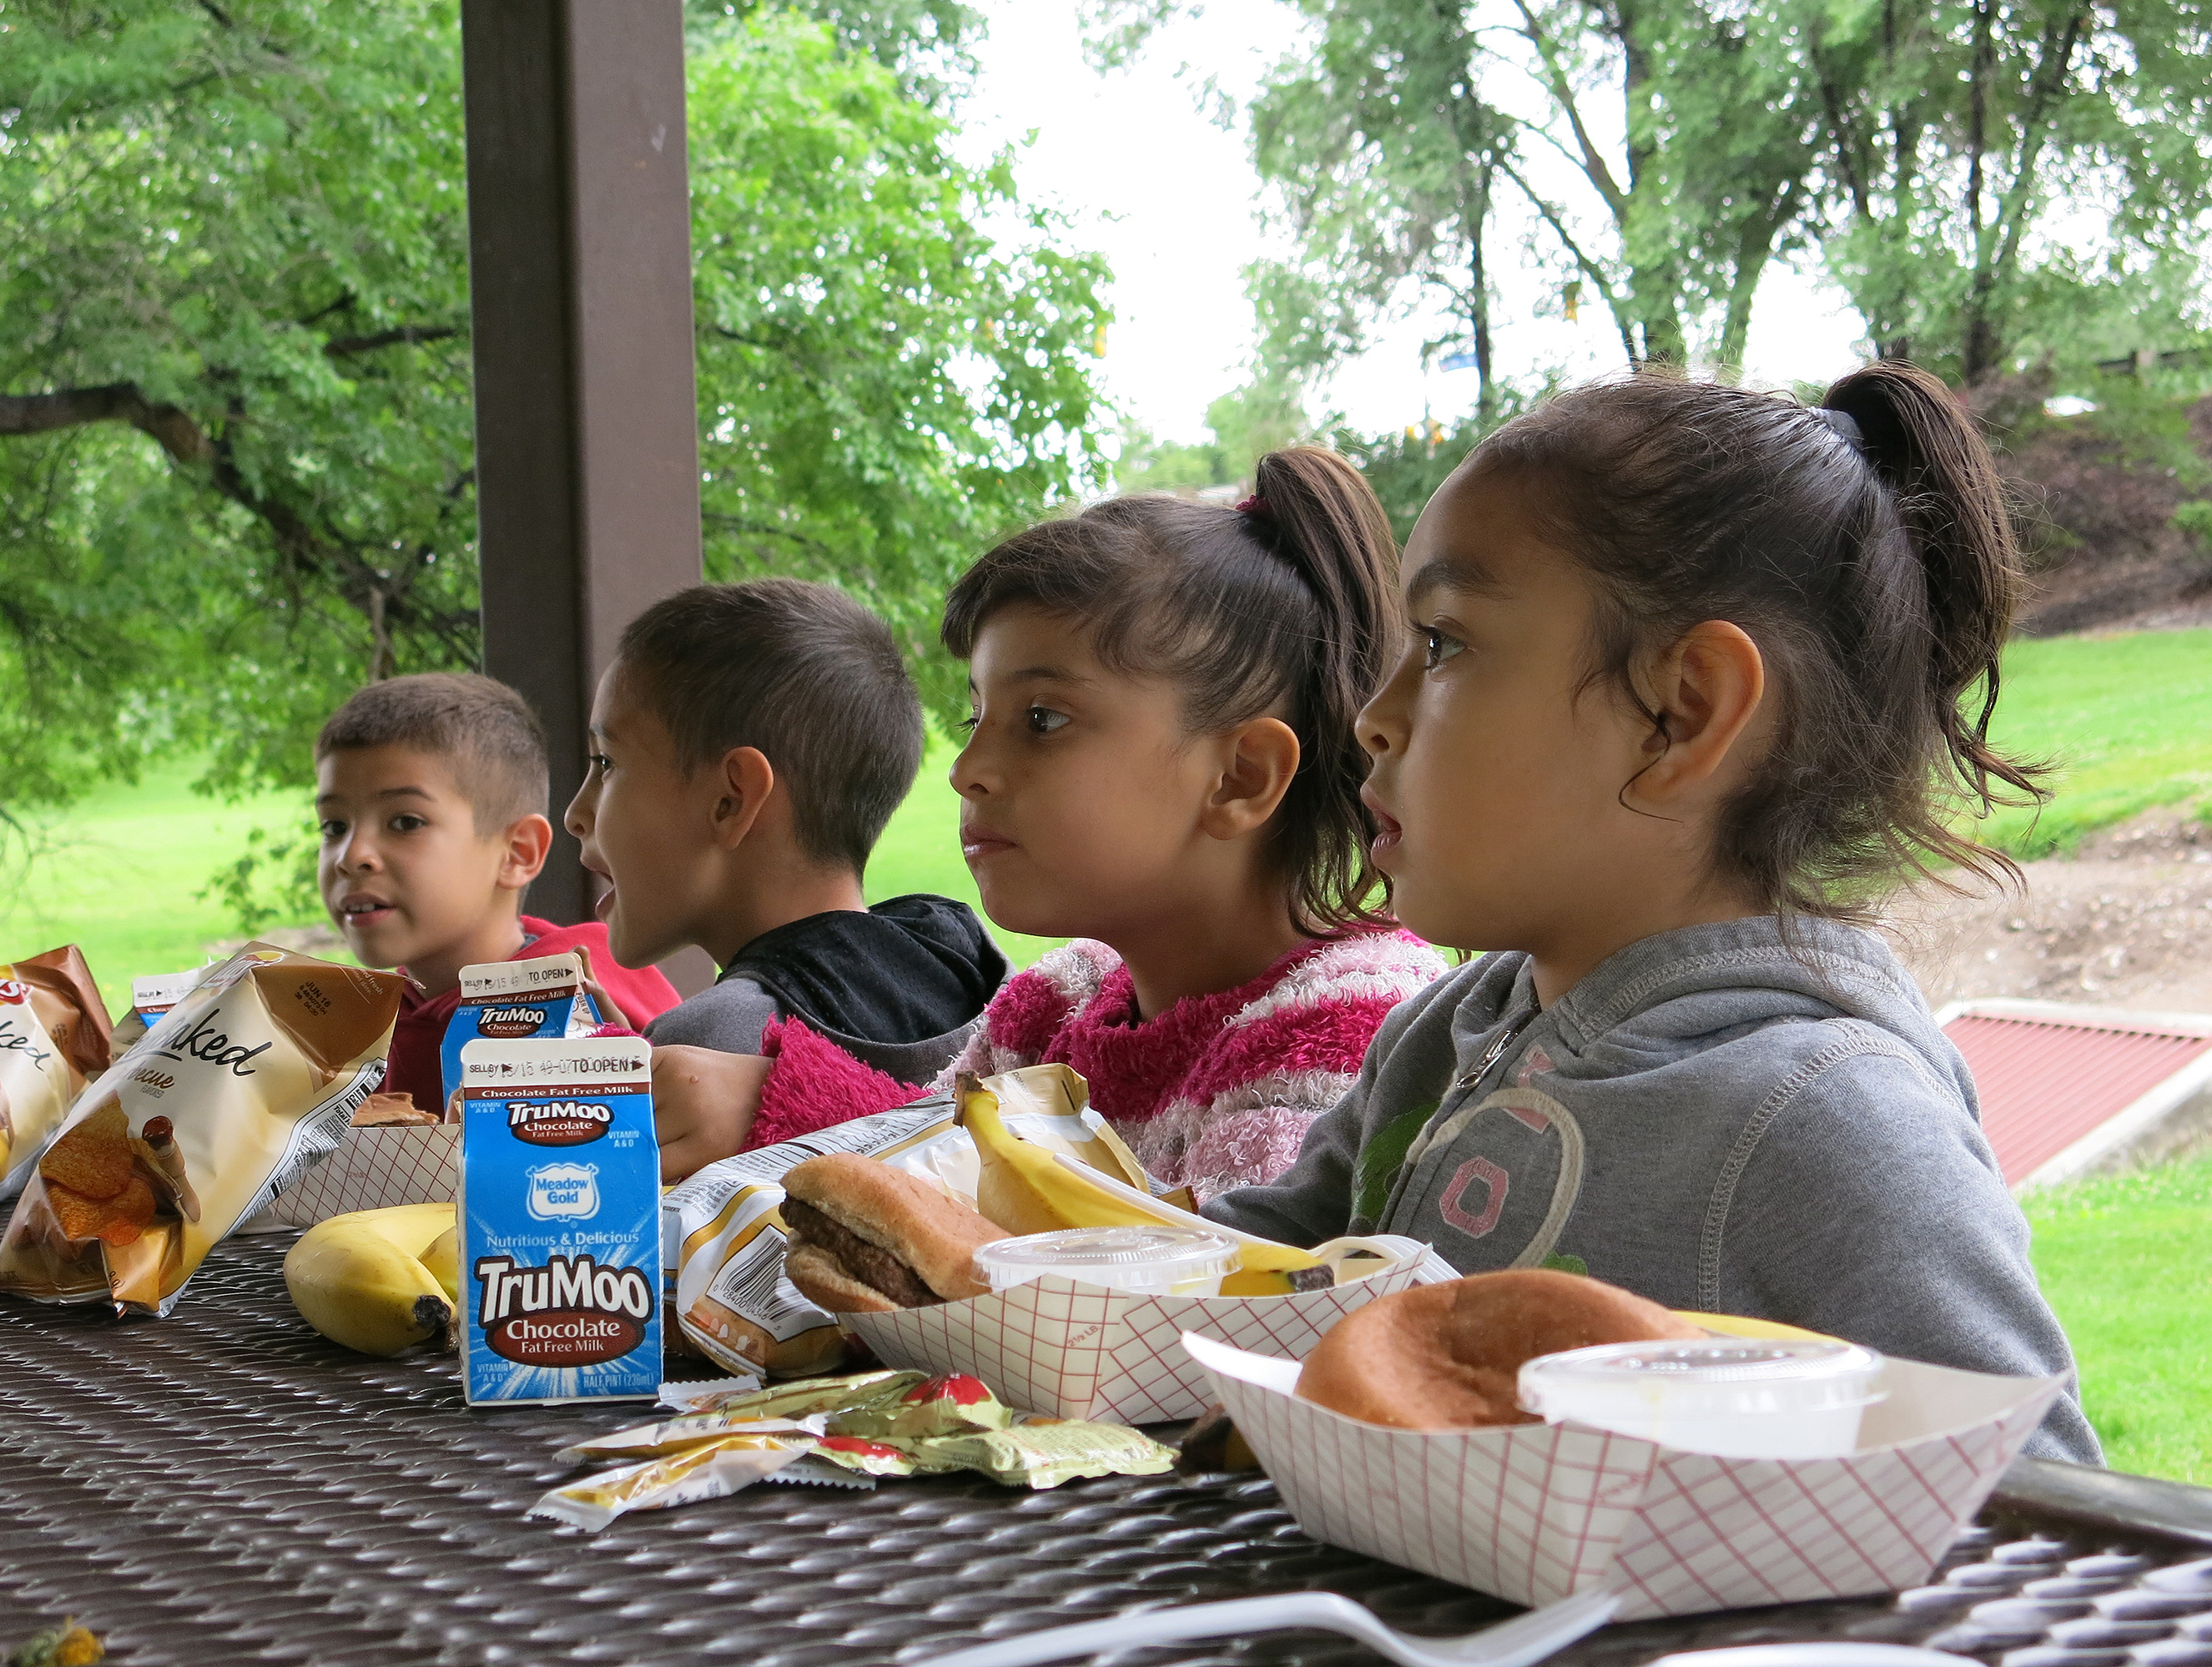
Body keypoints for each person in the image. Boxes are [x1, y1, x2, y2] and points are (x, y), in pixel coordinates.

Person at [1205, 364, 2101, 1462]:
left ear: (1681, 714)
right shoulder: (1440, 1038)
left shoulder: (1823, 1118)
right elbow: (1260, 1277)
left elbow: (2039, 1510)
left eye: (1441, 644)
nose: (1373, 718)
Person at [930, 446, 1449, 1204]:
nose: (966, 768)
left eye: (1041, 719)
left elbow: (1216, 1297)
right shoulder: (1054, 1006)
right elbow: (901, 1161)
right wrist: (764, 1093)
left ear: (1240, 777)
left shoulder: (1345, 1024)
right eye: (975, 716)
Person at [562, 580, 1009, 1179]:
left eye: (606, 764)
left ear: (731, 798)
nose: (575, 814)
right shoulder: (973, 967)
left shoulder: (707, 1052)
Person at [315, 672, 679, 1114]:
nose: (351, 857)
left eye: (405, 822)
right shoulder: (354, 1031)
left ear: (516, 853)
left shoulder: (581, 1000)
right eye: (335, 826)